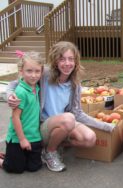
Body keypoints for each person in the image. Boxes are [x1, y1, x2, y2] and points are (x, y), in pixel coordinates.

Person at [6, 41, 115, 172]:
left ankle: (55, 145)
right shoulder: (44, 74)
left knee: (89, 139)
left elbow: (78, 113)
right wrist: (10, 95)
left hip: (63, 123)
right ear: (55, 61)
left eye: (71, 59)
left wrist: (105, 126)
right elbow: (14, 84)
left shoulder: (75, 84)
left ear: (76, 61)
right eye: (62, 59)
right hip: (43, 125)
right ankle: (50, 152)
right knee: (68, 119)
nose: (67, 63)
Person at [0, 51, 44, 173]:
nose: (33, 75)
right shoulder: (20, 92)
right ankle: (4, 160)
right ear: (21, 71)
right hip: (18, 137)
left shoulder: (37, 87)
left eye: (37, 71)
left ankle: (10, 156)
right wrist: (22, 139)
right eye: (29, 71)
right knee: (15, 168)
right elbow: (15, 117)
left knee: (34, 167)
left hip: (34, 136)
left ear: (41, 71)